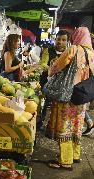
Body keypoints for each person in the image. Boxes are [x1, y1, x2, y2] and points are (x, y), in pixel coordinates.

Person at [46, 27, 94, 170]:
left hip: (69, 95)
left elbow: (57, 66)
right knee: (76, 126)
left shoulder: (74, 49)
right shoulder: (92, 53)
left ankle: (65, 161)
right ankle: (75, 155)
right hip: (83, 96)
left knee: (65, 126)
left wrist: (51, 71)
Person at [38, 30, 70, 129]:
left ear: (67, 41)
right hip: (46, 82)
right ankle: (40, 122)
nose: (60, 42)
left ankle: (55, 126)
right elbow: (43, 64)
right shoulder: (48, 50)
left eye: (63, 40)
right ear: (55, 39)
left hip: (61, 85)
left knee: (58, 106)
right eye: (58, 39)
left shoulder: (69, 52)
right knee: (43, 103)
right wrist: (53, 68)